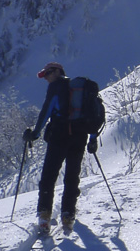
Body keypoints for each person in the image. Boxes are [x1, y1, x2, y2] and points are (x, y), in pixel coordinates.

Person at [23, 62, 98, 235]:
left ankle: (44, 216)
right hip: (79, 137)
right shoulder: (82, 90)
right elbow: (93, 115)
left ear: (57, 72)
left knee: (48, 177)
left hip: (59, 136)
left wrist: (34, 134)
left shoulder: (56, 87)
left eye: (48, 74)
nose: (47, 78)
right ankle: (68, 215)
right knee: (72, 177)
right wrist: (93, 139)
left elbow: (46, 112)